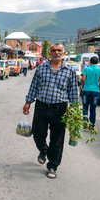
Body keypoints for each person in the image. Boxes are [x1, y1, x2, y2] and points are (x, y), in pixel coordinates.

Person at [23, 43, 77, 179]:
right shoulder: (41, 68)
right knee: (37, 134)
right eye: (53, 50)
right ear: (49, 53)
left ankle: (52, 166)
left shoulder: (70, 70)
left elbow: (73, 92)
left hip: (60, 109)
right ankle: (44, 150)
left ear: (63, 53)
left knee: (57, 140)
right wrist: (28, 102)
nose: (56, 52)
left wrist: (75, 111)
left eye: (59, 50)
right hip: (41, 106)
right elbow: (33, 86)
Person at [80, 56, 100, 128]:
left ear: (90, 62)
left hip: (86, 90)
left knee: (85, 107)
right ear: (97, 62)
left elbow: (83, 79)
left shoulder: (86, 69)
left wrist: (83, 87)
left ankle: (85, 122)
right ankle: (92, 125)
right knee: (93, 108)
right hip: (95, 91)